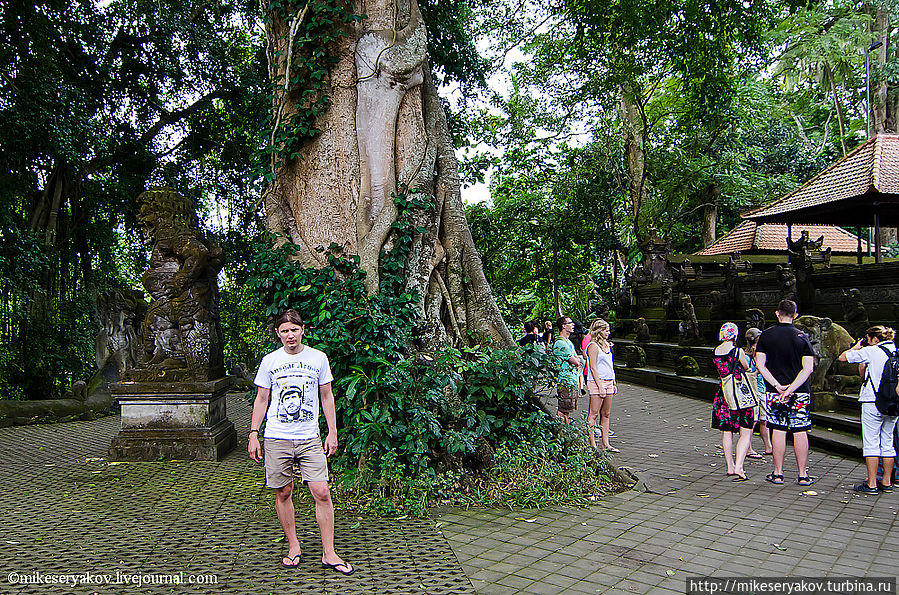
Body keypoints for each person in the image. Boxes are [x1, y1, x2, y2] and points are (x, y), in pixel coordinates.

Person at [248, 309, 354, 575]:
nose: (290, 336)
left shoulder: (318, 358)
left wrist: (332, 432)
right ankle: (293, 545)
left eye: (294, 330)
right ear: (278, 334)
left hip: (309, 438)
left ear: (302, 330)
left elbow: (327, 397)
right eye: (284, 331)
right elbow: (261, 399)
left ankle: (329, 552)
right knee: (283, 492)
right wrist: (253, 433)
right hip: (276, 437)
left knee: (322, 492)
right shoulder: (270, 361)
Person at [755, 299, 816, 486]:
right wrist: (792, 388)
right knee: (800, 430)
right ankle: (803, 474)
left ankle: (778, 472)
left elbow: (760, 364)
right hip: (799, 391)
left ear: (777, 313)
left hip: (775, 390)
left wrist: (777, 385)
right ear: (795, 315)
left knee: (778, 430)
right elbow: (808, 368)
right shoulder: (802, 337)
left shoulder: (766, 336)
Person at [838, 325, 898, 494]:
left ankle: (871, 483)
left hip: (872, 400)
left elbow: (843, 357)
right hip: (893, 403)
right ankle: (886, 482)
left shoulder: (872, 351)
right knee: (888, 442)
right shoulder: (896, 351)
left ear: (874, 339)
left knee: (871, 442)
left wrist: (857, 346)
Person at [712, 322, 754, 481]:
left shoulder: (716, 351)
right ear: (735, 335)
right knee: (745, 431)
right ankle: (739, 466)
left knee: (727, 431)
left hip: (724, 394)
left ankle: (730, 466)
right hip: (740, 395)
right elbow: (746, 367)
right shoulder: (738, 351)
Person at [585, 319, 618, 452]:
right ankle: (592, 443)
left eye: (608, 330)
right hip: (597, 382)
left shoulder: (607, 345)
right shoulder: (593, 346)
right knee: (593, 413)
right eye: (605, 330)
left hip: (609, 380)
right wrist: (599, 386)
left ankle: (606, 444)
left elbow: (610, 365)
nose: (608, 333)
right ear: (599, 331)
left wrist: (614, 382)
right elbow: (592, 367)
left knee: (606, 414)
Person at [745, 327, 773, 458]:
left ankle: (768, 446)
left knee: (764, 420)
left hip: (763, 390)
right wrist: (757, 370)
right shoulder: (747, 357)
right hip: (752, 391)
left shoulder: (762, 355)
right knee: (753, 420)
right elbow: (747, 374)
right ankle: (748, 447)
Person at [553, 315, 581, 424]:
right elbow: (576, 362)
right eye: (570, 323)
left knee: (568, 410)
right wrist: (576, 360)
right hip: (565, 381)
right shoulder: (560, 343)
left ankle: (566, 431)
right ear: (563, 326)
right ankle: (561, 431)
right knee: (562, 410)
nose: (572, 325)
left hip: (572, 381)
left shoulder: (568, 342)